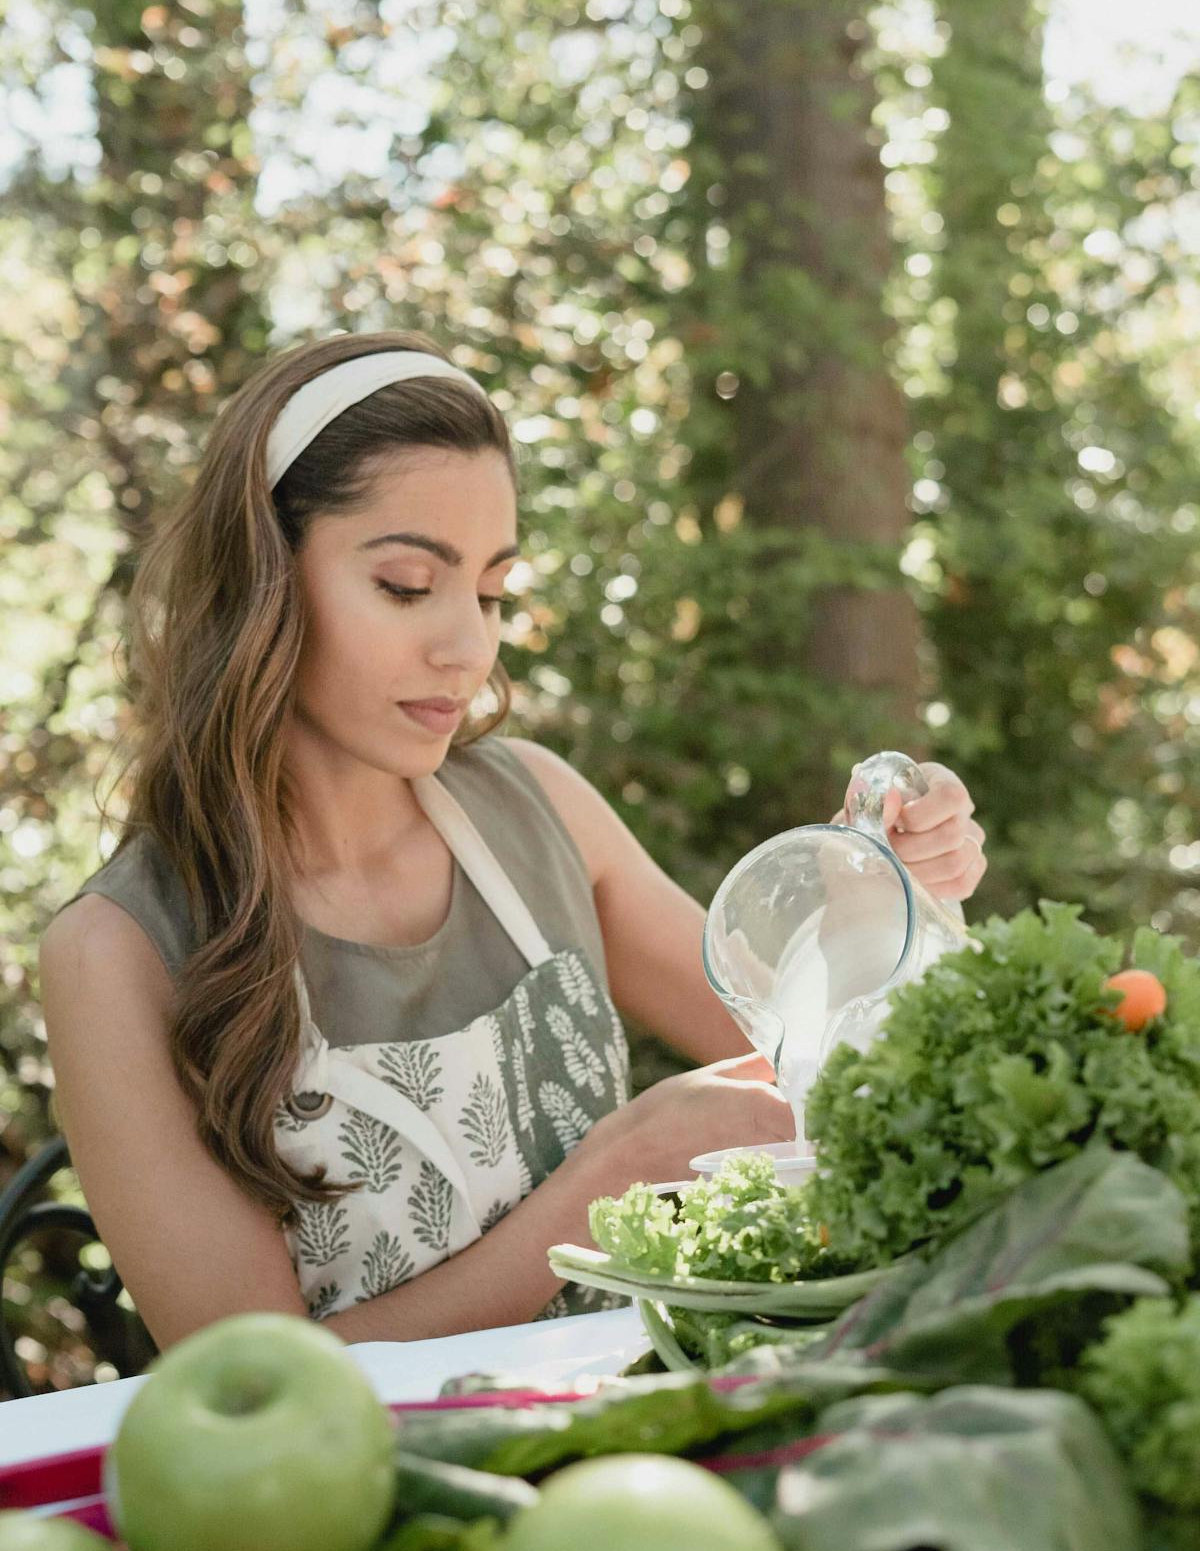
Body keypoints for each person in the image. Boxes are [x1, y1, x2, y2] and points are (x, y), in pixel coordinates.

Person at [38, 332, 987, 1353]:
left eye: (490, 593)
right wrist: (606, 1183)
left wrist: (875, 897)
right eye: (408, 585)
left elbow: (833, 1084)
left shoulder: (539, 809)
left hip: (652, 1452)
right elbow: (255, 1382)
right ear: (263, 577)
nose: (466, 646)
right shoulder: (117, 954)